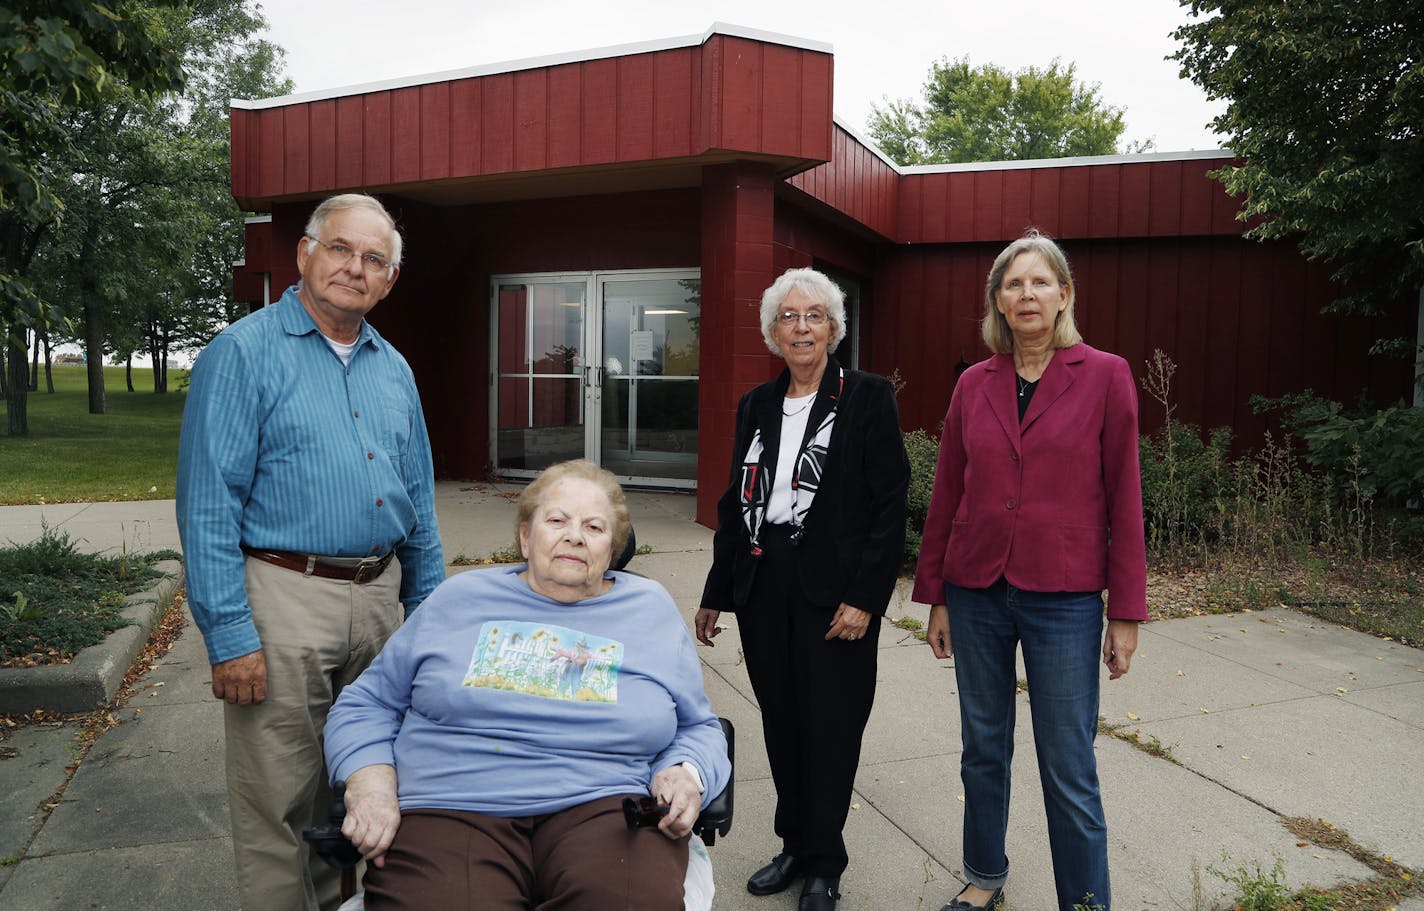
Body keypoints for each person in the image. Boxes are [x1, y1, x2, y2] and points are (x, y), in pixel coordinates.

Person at [176, 193, 444, 911]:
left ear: (388, 280)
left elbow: (418, 504)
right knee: (278, 795)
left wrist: (431, 613)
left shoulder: (395, 369)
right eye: (340, 249)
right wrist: (229, 634)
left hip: (382, 599)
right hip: (282, 601)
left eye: (373, 260)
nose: (354, 268)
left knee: (364, 778)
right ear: (304, 253)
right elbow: (208, 506)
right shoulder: (241, 353)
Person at [323, 459, 730, 910]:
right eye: (556, 520)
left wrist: (686, 772)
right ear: (524, 536)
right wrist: (371, 781)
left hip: (605, 803)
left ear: (611, 549)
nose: (574, 535)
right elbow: (366, 704)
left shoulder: (649, 610)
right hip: (457, 801)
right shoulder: (460, 599)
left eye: (594, 527)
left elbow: (699, 727)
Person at [912, 229, 1146, 911]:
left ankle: (1085, 897)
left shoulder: (1105, 375)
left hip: (1065, 599)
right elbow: (947, 493)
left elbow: (1125, 497)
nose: (1027, 293)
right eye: (1013, 283)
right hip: (976, 590)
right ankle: (984, 874)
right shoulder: (972, 384)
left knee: (1068, 764)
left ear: (1064, 294)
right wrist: (936, 596)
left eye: (1040, 281)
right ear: (999, 302)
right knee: (983, 748)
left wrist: (1125, 611)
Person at [695, 268, 909, 911]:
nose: (802, 327)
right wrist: (716, 589)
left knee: (832, 727)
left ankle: (824, 862)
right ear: (772, 331)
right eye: (789, 317)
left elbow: (889, 502)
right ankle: (793, 845)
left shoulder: (867, 396)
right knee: (784, 724)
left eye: (815, 315)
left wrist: (868, 597)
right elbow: (737, 502)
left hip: (834, 590)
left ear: (835, 328)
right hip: (765, 583)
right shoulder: (756, 404)